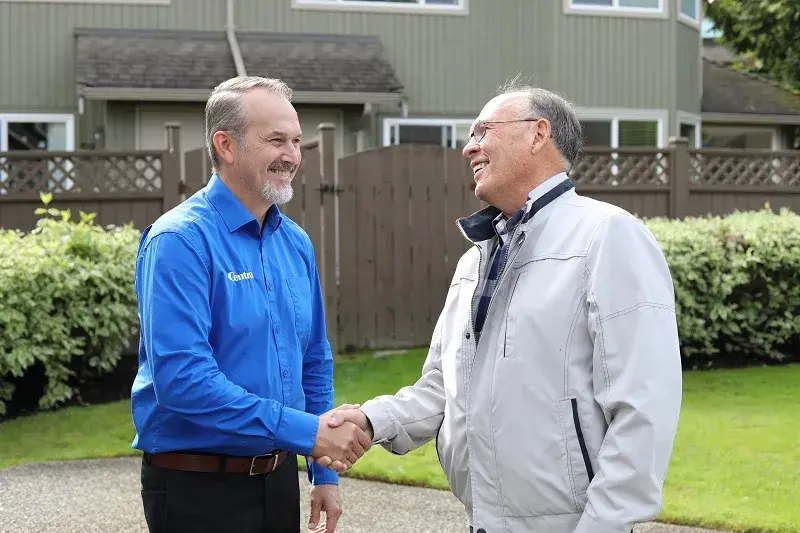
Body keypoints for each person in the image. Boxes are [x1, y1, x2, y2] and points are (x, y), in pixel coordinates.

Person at [313, 83, 683, 533]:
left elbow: (644, 405)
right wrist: (372, 420)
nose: (470, 147)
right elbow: (443, 387)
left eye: (482, 131)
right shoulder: (476, 258)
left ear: (537, 133)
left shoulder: (607, 236)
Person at [132, 76, 371, 533]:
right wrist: (308, 433)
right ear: (226, 145)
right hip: (196, 488)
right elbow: (183, 381)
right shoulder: (180, 241)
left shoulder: (295, 243)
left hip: (277, 480)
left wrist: (322, 471)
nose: (293, 156)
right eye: (276, 140)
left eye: (297, 141)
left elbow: (313, 362)